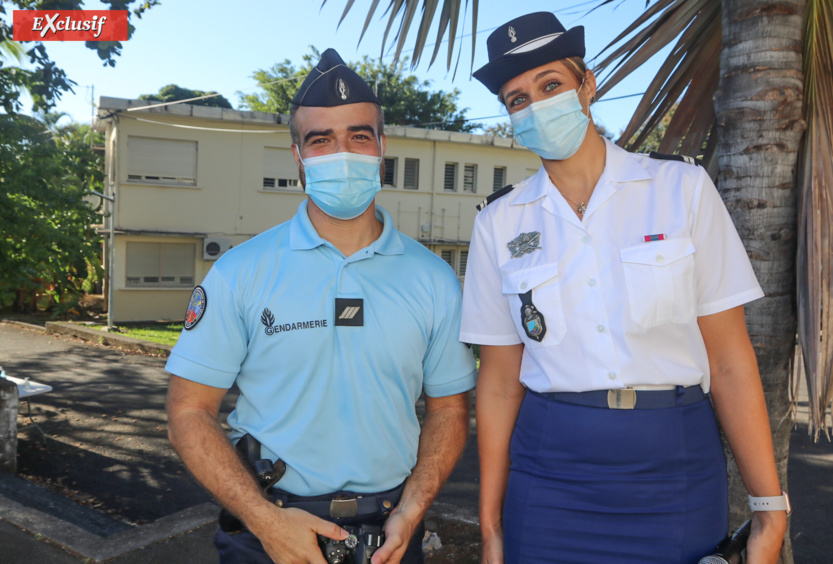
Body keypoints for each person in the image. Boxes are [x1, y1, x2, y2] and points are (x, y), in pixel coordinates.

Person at [460, 12, 789, 564]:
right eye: (518, 99)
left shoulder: (680, 188)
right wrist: (491, 527)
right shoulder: (500, 222)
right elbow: (497, 384)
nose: (536, 106)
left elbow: (730, 360)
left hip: (676, 470)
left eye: (550, 85)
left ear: (587, 85)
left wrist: (769, 507)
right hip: (549, 478)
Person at [166, 48, 476, 564]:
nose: (342, 153)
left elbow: (448, 410)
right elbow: (187, 413)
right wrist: (266, 523)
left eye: (359, 136)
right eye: (321, 139)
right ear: (298, 156)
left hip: (391, 535)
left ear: (382, 147)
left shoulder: (434, 278)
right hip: (267, 534)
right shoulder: (241, 271)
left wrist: (412, 511)